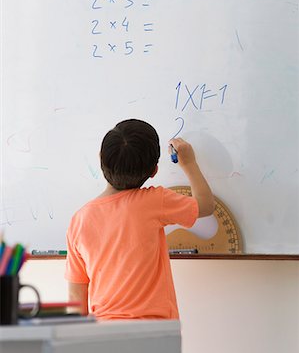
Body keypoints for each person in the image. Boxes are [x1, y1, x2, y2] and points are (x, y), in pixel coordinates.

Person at [65, 119, 214, 320]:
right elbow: (206, 205)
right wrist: (189, 163)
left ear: (101, 159)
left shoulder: (80, 219)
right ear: (154, 171)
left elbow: (76, 298)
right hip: (154, 330)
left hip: (103, 334)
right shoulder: (155, 201)